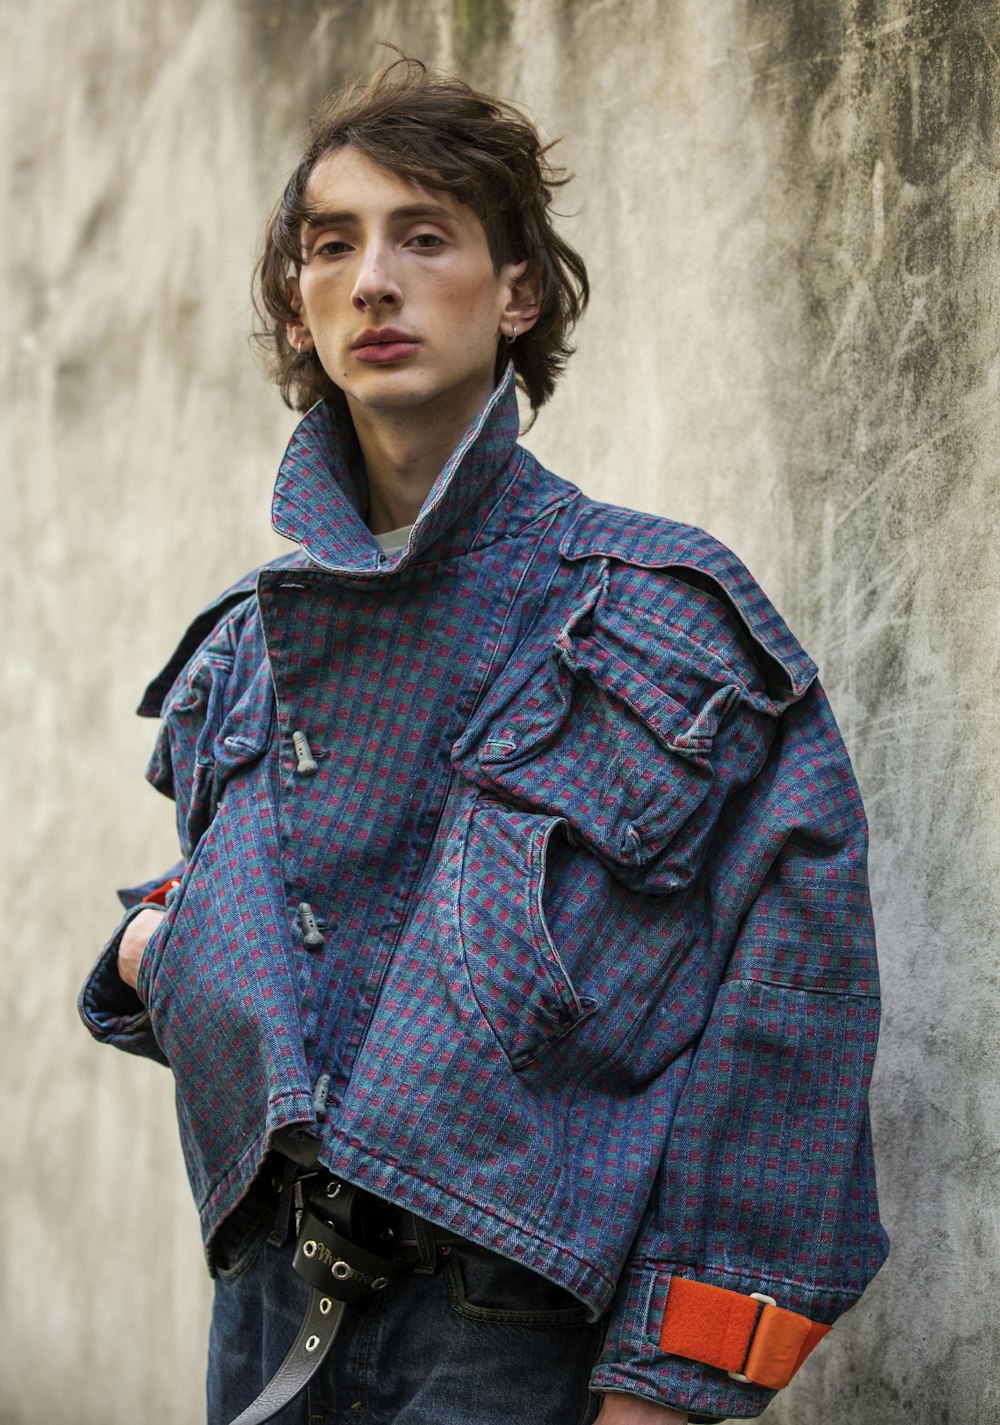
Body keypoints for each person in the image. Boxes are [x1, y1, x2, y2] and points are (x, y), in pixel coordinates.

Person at [79, 55, 888, 1425]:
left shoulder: (671, 623)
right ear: (299, 307)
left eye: (424, 236)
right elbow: (288, 961)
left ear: (516, 293)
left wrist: (668, 1386)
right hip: (266, 1310)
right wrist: (157, 945)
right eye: (332, 247)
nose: (373, 281)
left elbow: (789, 1028)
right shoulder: (238, 649)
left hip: (511, 1333)